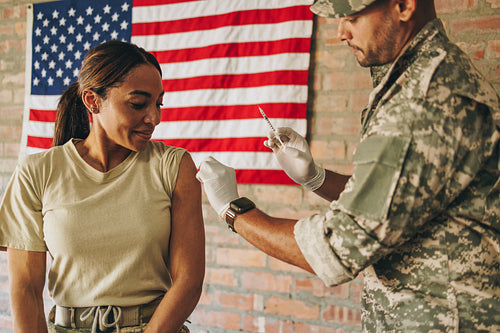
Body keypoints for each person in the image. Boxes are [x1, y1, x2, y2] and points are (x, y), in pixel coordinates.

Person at [196, 0, 500, 331]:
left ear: (403, 6)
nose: (341, 32)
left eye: (352, 17)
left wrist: (233, 210)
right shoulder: (420, 79)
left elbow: (338, 248)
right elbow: (394, 198)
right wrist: (316, 178)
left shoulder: (424, 100)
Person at [0, 41, 205, 333]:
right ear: (92, 101)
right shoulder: (37, 172)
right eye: (138, 103)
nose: (154, 118)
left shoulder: (173, 165)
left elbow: (189, 279)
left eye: (158, 103)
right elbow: (26, 292)